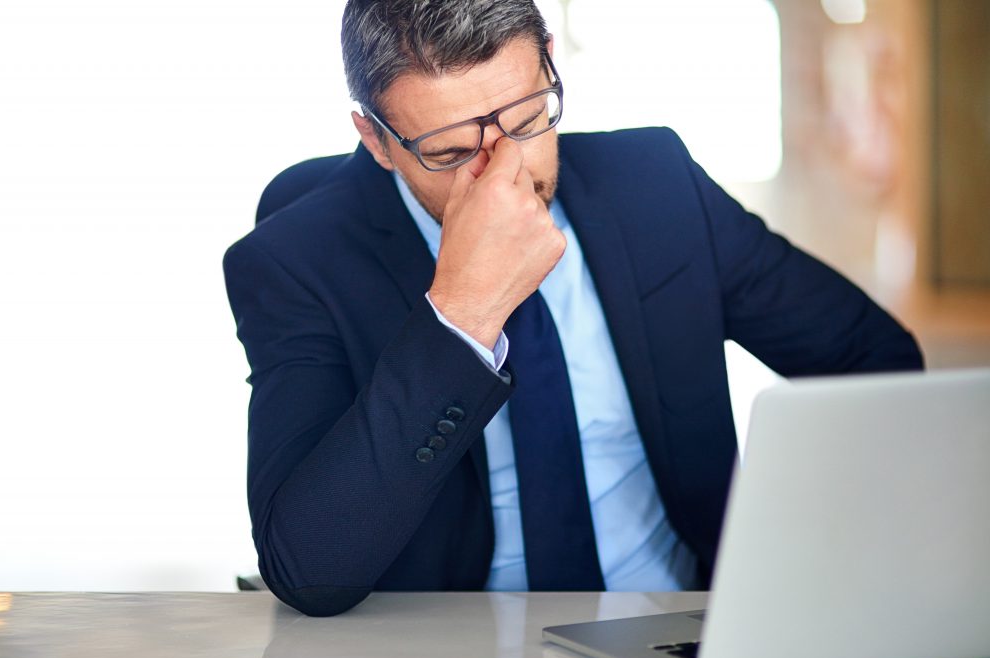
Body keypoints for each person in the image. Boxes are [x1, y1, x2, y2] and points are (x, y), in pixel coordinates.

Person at [223, 0, 922, 618]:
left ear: (551, 64)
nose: (508, 174)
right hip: (450, 651)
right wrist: (462, 313)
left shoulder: (657, 183)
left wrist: (802, 561)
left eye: (527, 120)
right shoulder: (294, 259)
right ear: (376, 139)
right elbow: (308, 569)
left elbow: (878, 363)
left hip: (678, 622)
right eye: (452, 151)